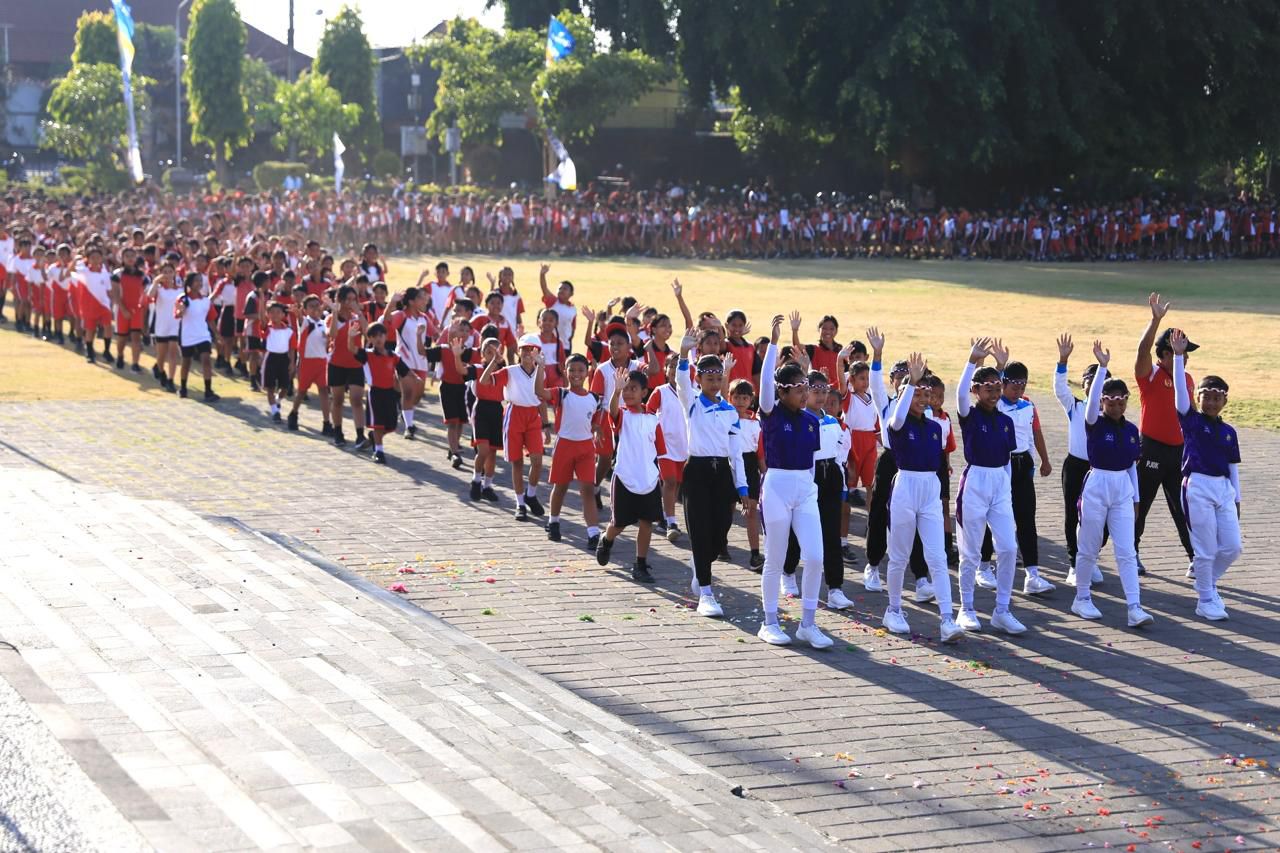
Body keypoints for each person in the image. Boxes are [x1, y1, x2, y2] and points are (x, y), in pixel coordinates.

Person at [755, 313, 834, 649]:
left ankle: (808, 623)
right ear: (782, 391)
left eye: (808, 388)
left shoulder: (811, 422)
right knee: (775, 556)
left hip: (805, 490)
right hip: (776, 487)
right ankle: (769, 621)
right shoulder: (771, 414)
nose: (806, 394)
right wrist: (773, 345)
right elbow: (764, 386)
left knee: (815, 556)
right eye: (799, 389)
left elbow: (812, 464)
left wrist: (810, 491)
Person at [882, 351, 964, 643]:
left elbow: (940, 463)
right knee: (900, 555)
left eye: (926, 393)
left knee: (937, 556)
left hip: (930, 490)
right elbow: (898, 417)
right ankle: (893, 609)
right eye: (916, 392)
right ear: (904, 394)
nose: (922, 397)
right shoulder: (897, 421)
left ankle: (946, 619)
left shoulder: (934, 427)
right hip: (905, 488)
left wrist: (942, 496)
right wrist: (910, 383)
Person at [1071, 340, 1153, 627]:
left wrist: (1137, 500)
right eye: (1111, 400)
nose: (1116, 405)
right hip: (1097, 484)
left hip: (1123, 490)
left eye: (1121, 400)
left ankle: (1135, 607)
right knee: (1089, 546)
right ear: (1103, 401)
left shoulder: (1132, 430)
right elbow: (1091, 404)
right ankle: (1081, 598)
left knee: (1127, 550)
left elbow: (1132, 466)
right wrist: (1103, 367)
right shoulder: (1094, 421)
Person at [954, 338, 1026, 634]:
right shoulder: (969, 415)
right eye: (988, 388)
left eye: (998, 387)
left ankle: (1002, 610)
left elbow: (1008, 458)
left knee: (1008, 548)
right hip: (975, 482)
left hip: (1000, 483)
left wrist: (1006, 486)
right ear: (976, 391)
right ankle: (966, 609)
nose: (995, 392)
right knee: (970, 552)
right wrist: (972, 361)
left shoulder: (1005, 421)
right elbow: (959, 394)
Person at [675, 332, 748, 617]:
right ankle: (706, 591)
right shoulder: (692, 403)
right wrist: (683, 355)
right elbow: (681, 383)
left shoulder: (730, 410)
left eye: (719, 379)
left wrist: (742, 488)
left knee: (719, 534)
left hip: (722, 474)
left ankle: (700, 565)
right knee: (700, 530)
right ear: (700, 379)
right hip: (697, 470)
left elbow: (737, 452)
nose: (714, 384)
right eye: (709, 378)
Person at [1170, 329, 1241, 620]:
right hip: (1196, 485)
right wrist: (1177, 356)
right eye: (1206, 396)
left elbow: (1233, 467)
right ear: (1198, 398)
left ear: (1225, 401)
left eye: (1216, 398)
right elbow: (1179, 394)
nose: (1210, 402)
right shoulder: (1191, 421)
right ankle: (1205, 599)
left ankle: (1208, 584)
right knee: (1206, 549)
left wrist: (1237, 499)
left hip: (1223, 490)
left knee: (1233, 547)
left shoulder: (1229, 432)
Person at [978, 343, 1056, 596]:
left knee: (1026, 519)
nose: (1019, 389)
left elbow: (1035, 433)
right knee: (993, 517)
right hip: (1001, 465)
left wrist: (1044, 460)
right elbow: (985, 388)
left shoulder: (1027, 406)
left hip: (1023, 465)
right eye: (1014, 384)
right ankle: (983, 566)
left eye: (1023, 385)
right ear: (1004, 383)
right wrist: (999, 365)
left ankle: (1032, 574)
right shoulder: (995, 404)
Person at [1133, 292, 1197, 574]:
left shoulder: (1187, 379)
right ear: (1165, 354)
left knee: (1183, 507)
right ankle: (1131, 553)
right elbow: (1142, 352)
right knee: (1140, 505)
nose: (1187, 357)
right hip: (1151, 449)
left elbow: (1192, 416)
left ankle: (1195, 558)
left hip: (1179, 453)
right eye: (1181, 351)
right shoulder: (1151, 374)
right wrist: (1155, 320)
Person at [595, 367, 666, 582]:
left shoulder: (654, 420)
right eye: (625, 389)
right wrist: (616, 392)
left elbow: (660, 452)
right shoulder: (623, 415)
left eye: (633, 389)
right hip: (625, 477)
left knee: (647, 522)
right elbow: (613, 411)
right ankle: (606, 540)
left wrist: (660, 477)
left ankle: (640, 564)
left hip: (649, 479)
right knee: (619, 524)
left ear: (644, 392)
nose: (628, 393)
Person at [479, 333, 549, 521]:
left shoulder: (541, 371)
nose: (528, 353)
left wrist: (546, 424)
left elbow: (542, 398)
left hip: (533, 417)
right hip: (514, 414)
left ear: (539, 352)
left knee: (537, 460)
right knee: (517, 462)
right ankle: (520, 503)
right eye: (524, 349)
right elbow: (484, 381)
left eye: (532, 349)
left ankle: (531, 495)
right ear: (518, 351)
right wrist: (495, 361)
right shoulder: (510, 371)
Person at [1053, 333, 1104, 587]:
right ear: (1083, 385)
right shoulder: (1074, 406)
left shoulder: (1110, 413)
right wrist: (1063, 360)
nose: (1094, 385)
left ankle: (1090, 558)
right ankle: (1075, 564)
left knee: (1099, 520)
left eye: (1100, 380)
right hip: (1075, 466)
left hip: (1100, 471)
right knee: (1073, 515)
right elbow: (1059, 389)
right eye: (1089, 381)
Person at [546, 353, 603, 550]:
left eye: (581, 370)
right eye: (572, 370)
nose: (576, 374)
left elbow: (597, 416)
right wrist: (538, 367)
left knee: (587, 489)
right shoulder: (561, 393)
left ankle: (593, 533)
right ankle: (553, 521)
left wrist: (596, 427)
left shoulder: (594, 398)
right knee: (560, 487)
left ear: (588, 372)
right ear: (565, 371)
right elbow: (539, 392)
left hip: (586, 447)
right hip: (565, 446)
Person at [354, 322, 419, 463]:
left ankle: (374, 437)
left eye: (381, 335)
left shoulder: (393, 355)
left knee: (391, 425)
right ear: (369, 338)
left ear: (386, 336)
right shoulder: (367, 354)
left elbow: (404, 369)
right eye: (374, 336)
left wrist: (415, 377)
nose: (378, 338)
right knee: (378, 424)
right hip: (375, 393)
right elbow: (351, 349)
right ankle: (379, 451)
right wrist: (349, 337)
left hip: (389, 393)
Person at [646, 354, 689, 540]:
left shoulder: (690, 392)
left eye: (677, 366)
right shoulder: (660, 391)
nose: (673, 370)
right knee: (670, 481)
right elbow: (648, 413)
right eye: (671, 366)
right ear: (666, 370)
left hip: (685, 446)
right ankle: (671, 521)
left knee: (677, 482)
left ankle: (665, 514)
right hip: (664, 446)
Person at [326, 284, 368, 449]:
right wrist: (335, 312)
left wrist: (359, 313)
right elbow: (332, 334)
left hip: (355, 364)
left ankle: (360, 435)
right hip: (337, 364)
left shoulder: (357, 317)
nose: (351, 302)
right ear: (340, 300)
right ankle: (338, 432)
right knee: (337, 399)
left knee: (356, 399)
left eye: (353, 299)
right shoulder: (331, 317)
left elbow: (366, 331)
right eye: (347, 299)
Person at [730, 378, 764, 570]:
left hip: (750, 464)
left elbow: (760, 451)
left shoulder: (755, 422)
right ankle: (721, 544)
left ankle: (755, 554)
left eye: (745, 398)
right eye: (736, 397)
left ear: (751, 400)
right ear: (730, 398)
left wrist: (764, 472)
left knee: (751, 510)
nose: (740, 402)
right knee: (728, 508)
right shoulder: (726, 417)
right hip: (730, 463)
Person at [466, 335, 503, 502]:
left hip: (496, 410)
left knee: (493, 452)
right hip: (481, 409)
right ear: (483, 354)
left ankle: (488, 486)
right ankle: (476, 480)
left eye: (496, 352)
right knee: (483, 450)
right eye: (489, 352)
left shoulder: (504, 370)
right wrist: (456, 354)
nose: (493, 355)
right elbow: (463, 372)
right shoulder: (478, 368)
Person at [288, 295, 333, 433]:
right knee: (301, 391)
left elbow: (327, 337)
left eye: (316, 305)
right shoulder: (305, 322)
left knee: (324, 392)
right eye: (311, 306)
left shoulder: (324, 322)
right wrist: (298, 314)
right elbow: (300, 320)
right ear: (305, 310)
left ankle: (326, 423)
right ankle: (293, 413)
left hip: (321, 362)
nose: (315, 308)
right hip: (307, 362)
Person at [174, 271, 220, 402]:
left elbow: (211, 319)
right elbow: (177, 315)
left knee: (206, 359)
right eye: (196, 281)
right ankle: (183, 388)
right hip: (187, 335)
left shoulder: (206, 301)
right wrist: (181, 309)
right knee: (186, 362)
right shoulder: (182, 299)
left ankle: (208, 390)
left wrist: (217, 334)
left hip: (203, 335)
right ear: (189, 283)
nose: (199, 283)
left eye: (201, 280)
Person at [260, 302, 296, 422]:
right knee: (270, 387)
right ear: (268, 314)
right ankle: (275, 411)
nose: (275, 315)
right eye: (272, 312)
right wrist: (261, 302)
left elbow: (292, 348)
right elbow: (262, 320)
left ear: (283, 315)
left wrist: (291, 362)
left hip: (283, 359)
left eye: (278, 312)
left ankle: (278, 400)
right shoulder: (268, 329)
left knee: (285, 387)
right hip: (271, 358)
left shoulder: (289, 331)